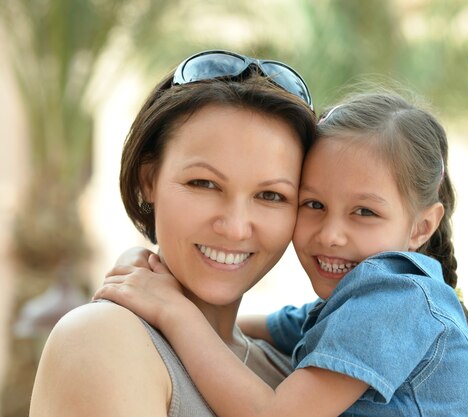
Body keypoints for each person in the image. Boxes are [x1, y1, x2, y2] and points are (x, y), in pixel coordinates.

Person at [95, 91, 468, 417]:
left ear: (421, 226)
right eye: (313, 204)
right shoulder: (354, 307)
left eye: (364, 212)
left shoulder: (396, 300)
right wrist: (151, 279)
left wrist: (171, 310)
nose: (330, 235)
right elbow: (261, 326)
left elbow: (271, 414)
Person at [29, 49, 317, 417]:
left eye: (271, 195)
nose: (234, 226)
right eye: (203, 183)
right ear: (149, 180)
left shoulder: (295, 368)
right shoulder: (102, 339)